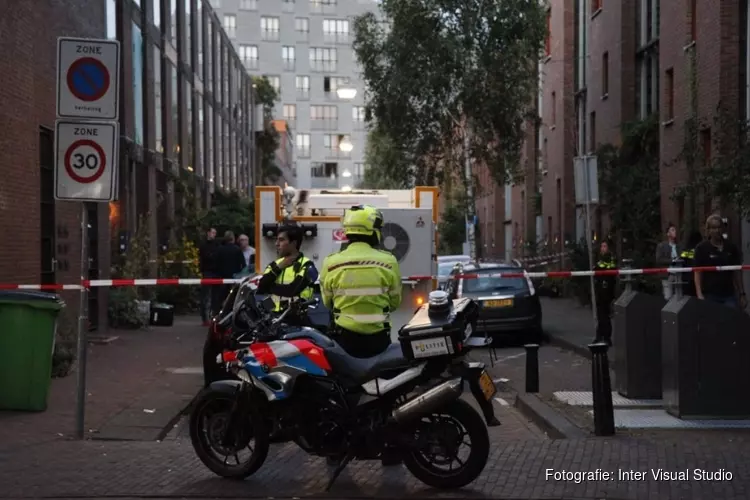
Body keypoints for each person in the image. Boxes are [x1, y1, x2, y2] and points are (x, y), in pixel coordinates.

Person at [320, 205, 402, 359]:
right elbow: (395, 302)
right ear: (372, 231)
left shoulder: (330, 263)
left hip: (344, 338)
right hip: (379, 338)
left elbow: (328, 303)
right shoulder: (389, 261)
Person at [256, 223, 319, 326]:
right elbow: (261, 287)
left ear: (293, 243)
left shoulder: (307, 265)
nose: (276, 244)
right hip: (272, 319)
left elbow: (292, 290)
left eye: (281, 240)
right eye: (277, 240)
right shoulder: (275, 265)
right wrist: (279, 267)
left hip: (297, 320)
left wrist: (270, 287)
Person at [693, 214, 747, 309]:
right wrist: (699, 294)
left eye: (719, 227)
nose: (717, 231)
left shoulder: (731, 247)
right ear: (708, 230)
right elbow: (697, 272)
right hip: (710, 295)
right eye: (713, 228)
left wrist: (742, 293)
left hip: (729, 295)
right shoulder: (701, 248)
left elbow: (737, 271)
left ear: (723, 228)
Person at [213, 230, 246, 315]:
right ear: (233, 239)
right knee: (233, 299)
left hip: (221, 278)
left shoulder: (219, 249)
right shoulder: (237, 250)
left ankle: (216, 315)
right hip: (234, 279)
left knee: (220, 298)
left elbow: (215, 263)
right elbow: (243, 264)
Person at [593, 240, 617, 345]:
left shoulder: (610, 259)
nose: (603, 248)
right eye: (601, 246)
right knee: (600, 315)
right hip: (599, 290)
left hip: (608, 290)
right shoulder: (598, 259)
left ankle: (606, 337)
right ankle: (600, 336)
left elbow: (611, 270)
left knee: (605, 315)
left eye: (605, 246)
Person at [655, 223, 683, 300]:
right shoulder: (662, 246)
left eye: (675, 230)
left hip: (678, 274)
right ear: (668, 233)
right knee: (668, 297)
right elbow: (659, 260)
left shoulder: (679, 246)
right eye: (672, 230)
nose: (675, 232)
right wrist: (672, 260)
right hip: (667, 275)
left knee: (679, 297)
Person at [198, 227, 219, 326]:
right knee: (206, 296)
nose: (214, 235)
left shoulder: (216, 245)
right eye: (212, 233)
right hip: (207, 272)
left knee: (214, 296)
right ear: (208, 233)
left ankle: (213, 316)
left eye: (215, 233)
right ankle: (205, 318)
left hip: (214, 272)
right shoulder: (204, 245)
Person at [679, 231, 703, 297]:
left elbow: (681, 262)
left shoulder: (685, 252)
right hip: (699, 279)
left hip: (687, 279)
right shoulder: (700, 251)